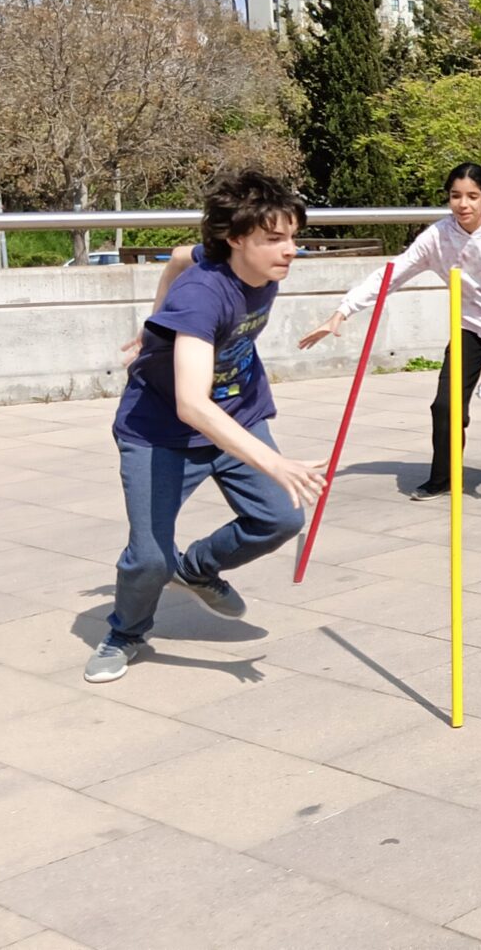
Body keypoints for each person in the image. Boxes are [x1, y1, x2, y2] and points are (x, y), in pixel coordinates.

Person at [86, 171, 325, 683]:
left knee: (279, 519)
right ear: (235, 240)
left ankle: (196, 569)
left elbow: (176, 255)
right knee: (149, 558)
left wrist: (152, 325)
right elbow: (191, 406)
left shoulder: (247, 267)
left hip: (238, 413)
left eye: (292, 237)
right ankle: (125, 633)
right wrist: (275, 462)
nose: (290, 251)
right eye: (274, 239)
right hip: (159, 430)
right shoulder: (202, 297)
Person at [300, 163, 481, 501]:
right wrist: (343, 311)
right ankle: (442, 477)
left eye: (472, 197)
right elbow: (393, 273)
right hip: (469, 330)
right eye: (456, 196)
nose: (463, 204)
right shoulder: (438, 236)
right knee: (446, 407)